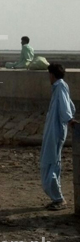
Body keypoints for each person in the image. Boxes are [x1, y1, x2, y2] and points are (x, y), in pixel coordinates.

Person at [40, 64, 77, 211]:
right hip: (53, 130)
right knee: (50, 161)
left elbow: (66, 107)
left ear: (52, 74)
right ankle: (56, 196)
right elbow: (70, 106)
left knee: (52, 162)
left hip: (56, 131)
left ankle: (59, 199)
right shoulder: (59, 87)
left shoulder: (60, 86)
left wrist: (69, 120)